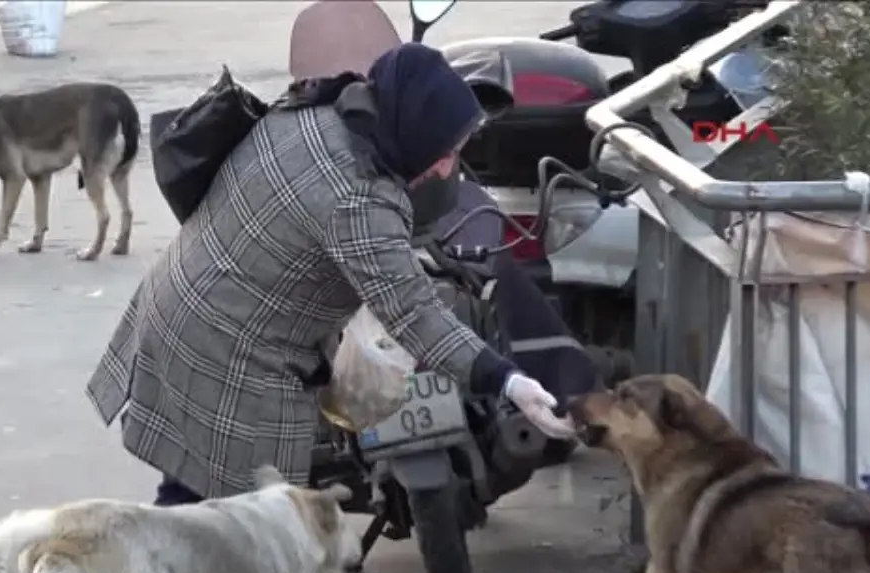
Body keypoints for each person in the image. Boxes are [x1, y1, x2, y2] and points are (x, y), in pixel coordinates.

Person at [86, 42, 578, 506]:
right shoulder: (361, 198)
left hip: (183, 299)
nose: (449, 166)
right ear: (415, 133)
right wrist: (510, 381)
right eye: (444, 151)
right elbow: (416, 315)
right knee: (238, 528)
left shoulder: (315, 113)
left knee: (194, 493)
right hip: (230, 357)